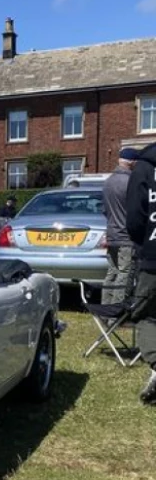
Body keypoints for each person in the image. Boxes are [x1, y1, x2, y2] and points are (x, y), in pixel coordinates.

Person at [126, 142, 156, 403]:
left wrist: (145, 240)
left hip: (153, 255)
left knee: (145, 315)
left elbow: (135, 218)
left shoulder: (144, 167)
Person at [101, 148, 139, 305]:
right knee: (125, 273)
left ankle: (105, 308)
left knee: (112, 272)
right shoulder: (131, 182)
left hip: (112, 235)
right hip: (126, 237)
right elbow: (137, 210)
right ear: (131, 162)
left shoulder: (108, 181)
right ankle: (117, 311)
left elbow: (104, 210)